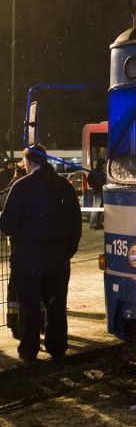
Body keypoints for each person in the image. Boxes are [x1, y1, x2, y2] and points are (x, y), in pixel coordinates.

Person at [0, 144, 82, 363]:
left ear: (28, 162)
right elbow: (76, 225)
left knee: (29, 304)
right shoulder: (64, 186)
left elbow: (7, 224)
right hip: (58, 257)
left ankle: (30, 349)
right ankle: (57, 347)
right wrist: (66, 252)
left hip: (29, 256)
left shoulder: (22, 186)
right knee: (56, 304)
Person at [87, 158, 106, 230]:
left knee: (99, 209)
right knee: (96, 208)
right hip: (98, 191)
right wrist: (96, 185)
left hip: (100, 191)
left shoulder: (100, 172)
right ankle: (92, 225)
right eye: (103, 164)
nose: (104, 166)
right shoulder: (96, 172)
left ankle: (98, 223)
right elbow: (90, 180)